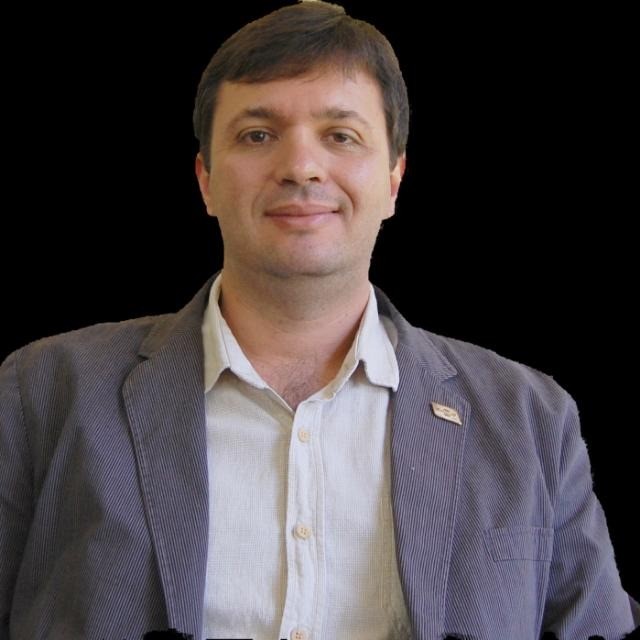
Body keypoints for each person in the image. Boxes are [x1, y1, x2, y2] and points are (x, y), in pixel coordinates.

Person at [0, 2, 637, 639]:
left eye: (341, 136)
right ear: (206, 180)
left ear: (394, 179)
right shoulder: (42, 395)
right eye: (257, 134)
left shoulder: (530, 419)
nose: (301, 167)